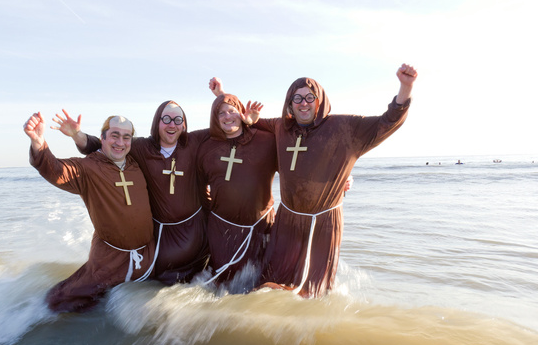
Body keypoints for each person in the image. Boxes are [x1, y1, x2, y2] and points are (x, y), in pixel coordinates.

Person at [226, 63, 418, 298]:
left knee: (312, 292)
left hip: (323, 223)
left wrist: (405, 87)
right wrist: (244, 115)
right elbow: (251, 123)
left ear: (319, 101)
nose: (303, 103)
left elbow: (387, 122)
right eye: (297, 98)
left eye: (309, 97)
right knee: (268, 284)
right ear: (289, 104)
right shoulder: (280, 127)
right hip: (287, 222)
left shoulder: (344, 128)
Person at [53, 102, 212, 285]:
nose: (172, 124)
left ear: (184, 125)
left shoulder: (194, 143)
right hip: (161, 241)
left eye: (178, 119)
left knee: (200, 286)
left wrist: (221, 95)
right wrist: (77, 135)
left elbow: (226, 127)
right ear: (157, 122)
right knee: (157, 288)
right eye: (166, 118)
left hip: (196, 233)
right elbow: (108, 146)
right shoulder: (142, 148)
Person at [24, 112, 157, 313]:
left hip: (146, 256)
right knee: (63, 301)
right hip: (109, 259)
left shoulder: (136, 163)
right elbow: (56, 170)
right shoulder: (88, 167)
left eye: (126, 136)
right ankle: (34, 316)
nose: (120, 142)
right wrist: (38, 141)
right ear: (103, 138)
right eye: (114, 135)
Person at [196, 92, 275, 292]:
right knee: (222, 286)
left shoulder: (266, 141)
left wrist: (340, 177)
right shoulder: (207, 148)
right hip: (221, 229)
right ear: (215, 119)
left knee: (257, 285)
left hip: (259, 227)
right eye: (221, 113)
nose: (227, 116)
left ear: (242, 112)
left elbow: (295, 166)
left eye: (232, 111)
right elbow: (196, 185)